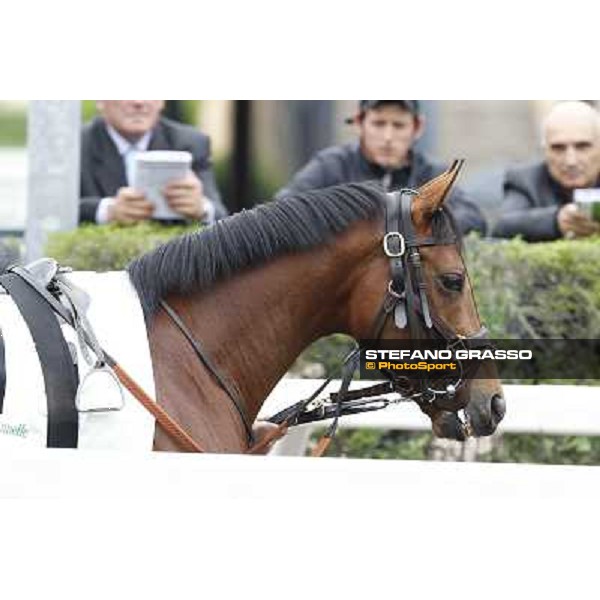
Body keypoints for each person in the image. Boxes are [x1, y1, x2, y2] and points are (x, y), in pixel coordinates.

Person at [275, 100, 487, 235]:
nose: (388, 137)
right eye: (378, 123)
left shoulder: (431, 174)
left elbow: (473, 218)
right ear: (359, 123)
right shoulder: (331, 165)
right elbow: (283, 208)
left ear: (417, 127)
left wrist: (415, 221)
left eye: (398, 125)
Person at [79, 100, 228, 225]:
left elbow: (220, 215)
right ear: (100, 101)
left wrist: (201, 208)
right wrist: (106, 211)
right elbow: (58, 211)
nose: (139, 102)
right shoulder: (74, 146)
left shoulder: (191, 142)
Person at [492, 101, 600, 241]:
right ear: (544, 151)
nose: (570, 161)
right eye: (558, 148)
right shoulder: (525, 180)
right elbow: (503, 225)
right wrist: (556, 221)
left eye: (582, 147)